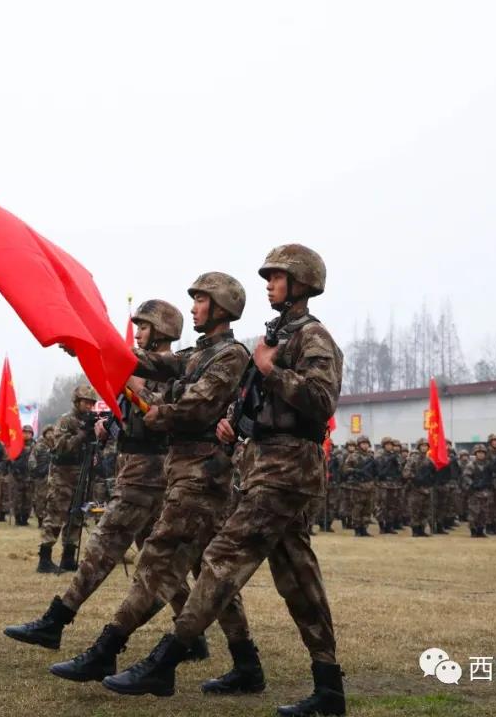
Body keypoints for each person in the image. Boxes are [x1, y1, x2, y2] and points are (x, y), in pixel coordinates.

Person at [98, 245, 346, 716]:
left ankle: (165, 660)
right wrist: (239, 420)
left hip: (287, 469)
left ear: (301, 284)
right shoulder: (279, 335)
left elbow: (320, 400)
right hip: (267, 464)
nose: (268, 284)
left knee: (221, 559)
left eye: (276, 277)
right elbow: (244, 394)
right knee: (298, 578)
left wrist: (272, 370)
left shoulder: (312, 337)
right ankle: (329, 688)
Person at [52, 273, 258, 693]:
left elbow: (197, 406)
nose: (194, 307)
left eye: (201, 300)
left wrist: (159, 413)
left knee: (159, 562)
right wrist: (90, 346)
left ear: (220, 308)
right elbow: (150, 363)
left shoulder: (230, 355)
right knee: (209, 572)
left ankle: (110, 650)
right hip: (184, 472)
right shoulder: (196, 354)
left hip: (202, 475)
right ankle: (246, 663)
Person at [5, 300, 213, 669]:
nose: (138, 332)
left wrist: (133, 386)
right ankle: (192, 636)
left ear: (163, 330)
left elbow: (164, 415)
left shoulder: (174, 372)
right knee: (156, 561)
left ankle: (57, 619)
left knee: (104, 544)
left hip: (148, 472)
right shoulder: (141, 367)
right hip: (133, 466)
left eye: (145, 326)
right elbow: (122, 397)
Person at [38, 385, 99, 573]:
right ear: (77, 401)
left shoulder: (89, 422)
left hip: (81, 473)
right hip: (63, 475)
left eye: (91, 403)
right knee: (56, 514)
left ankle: (68, 557)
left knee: (77, 516)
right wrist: (81, 435)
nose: (89, 406)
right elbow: (60, 447)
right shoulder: (66, 420)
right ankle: (45, 559)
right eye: (85, 402)